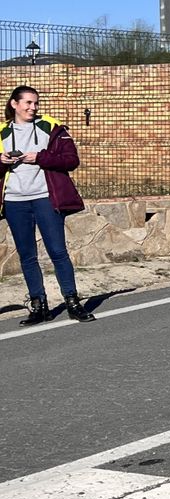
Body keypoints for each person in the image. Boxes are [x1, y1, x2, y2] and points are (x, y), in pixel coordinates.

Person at [0, 86, 94, 323]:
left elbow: (71, 160)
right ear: (14, 104)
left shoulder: (51, 127)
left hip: (45, 198)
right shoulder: (1, 132)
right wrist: (1, 161)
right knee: (27, 255)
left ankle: (73, 302)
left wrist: (39, 157)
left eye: (35, 103)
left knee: (58, 251)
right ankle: (38, 305)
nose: (33, 108)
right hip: (14, 202)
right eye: (28, 103)